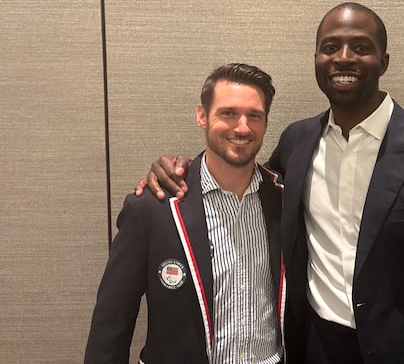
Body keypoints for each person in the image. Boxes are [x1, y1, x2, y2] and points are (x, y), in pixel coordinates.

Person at [138, 3, 404, 363]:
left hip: (398, 352)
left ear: (384, 62)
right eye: (330, 47)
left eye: (361, 47)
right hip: (309, 345)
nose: (343, 58)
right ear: (317, 58)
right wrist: (179, 169)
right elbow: (242, 185)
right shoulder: (298, 141)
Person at [85, 63, 287, 364]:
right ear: (202, 116)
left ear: (266, 122)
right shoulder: (151, 208)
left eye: (254, 115)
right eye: (228, 113)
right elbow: (111, 324)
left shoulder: (285, 199)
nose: (242, 127)